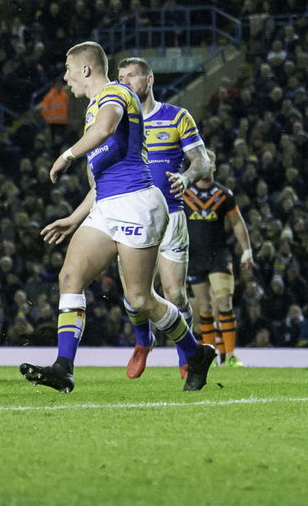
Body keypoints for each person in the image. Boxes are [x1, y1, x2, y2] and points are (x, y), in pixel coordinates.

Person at [20, 41, 214, 393]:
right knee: (70, 276)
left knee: (141, 300)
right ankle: (64, 367)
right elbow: (100, 182)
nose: (66, 79)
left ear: (85, 69)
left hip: (137, 204)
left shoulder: (115, 93)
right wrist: (74, 218)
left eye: (68, 71)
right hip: (107, 206)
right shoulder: (94, 107)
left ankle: (195, 353)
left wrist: (67, 155)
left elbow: (106, 128)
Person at [115, 57, 212, 378]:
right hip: (133, 216)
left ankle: (187, 356)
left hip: (171, 214)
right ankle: (143, 342)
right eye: (121, 77)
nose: (125, 82)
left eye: (131, 76)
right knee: (135, 295)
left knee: (175, 294)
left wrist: (186, 177)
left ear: (149, 79)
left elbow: (202, 161)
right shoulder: (116, 121)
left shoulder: (176, 117)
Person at [182, 171, 252, 365]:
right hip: (194, 257)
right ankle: (211, 356)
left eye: (209, 162)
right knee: (204, 308)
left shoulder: (224, 194)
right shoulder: (184, 193)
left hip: (219, 256)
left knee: (224, 303)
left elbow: (237, 222)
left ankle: (230, 356)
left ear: (212, 166)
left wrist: (247, 250)